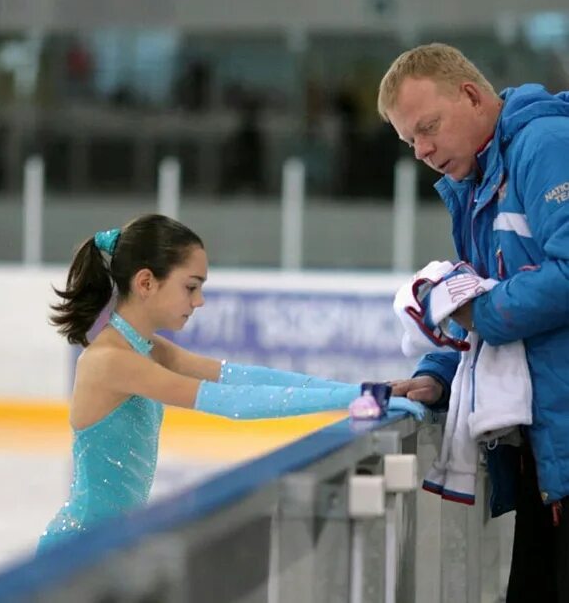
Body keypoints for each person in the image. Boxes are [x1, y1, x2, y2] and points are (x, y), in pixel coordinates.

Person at [38, 213, 422, 553]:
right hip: (81, 551)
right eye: (191, 286)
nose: (200, 300)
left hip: (114, 547)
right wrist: (357, 397)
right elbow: (229, 401)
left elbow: (242, 377)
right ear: (146, 282)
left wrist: (359, 392)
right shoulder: (112, 360)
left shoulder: (146, 348)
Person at [377, 43, 569, 602]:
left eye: (428, 127)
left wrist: (474, 310)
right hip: (548, 448)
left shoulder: (545, 144)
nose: (423, 150)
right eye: (410, 140)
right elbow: (482, 290)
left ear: (470, 94)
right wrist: (439, 370)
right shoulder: (479, 181)